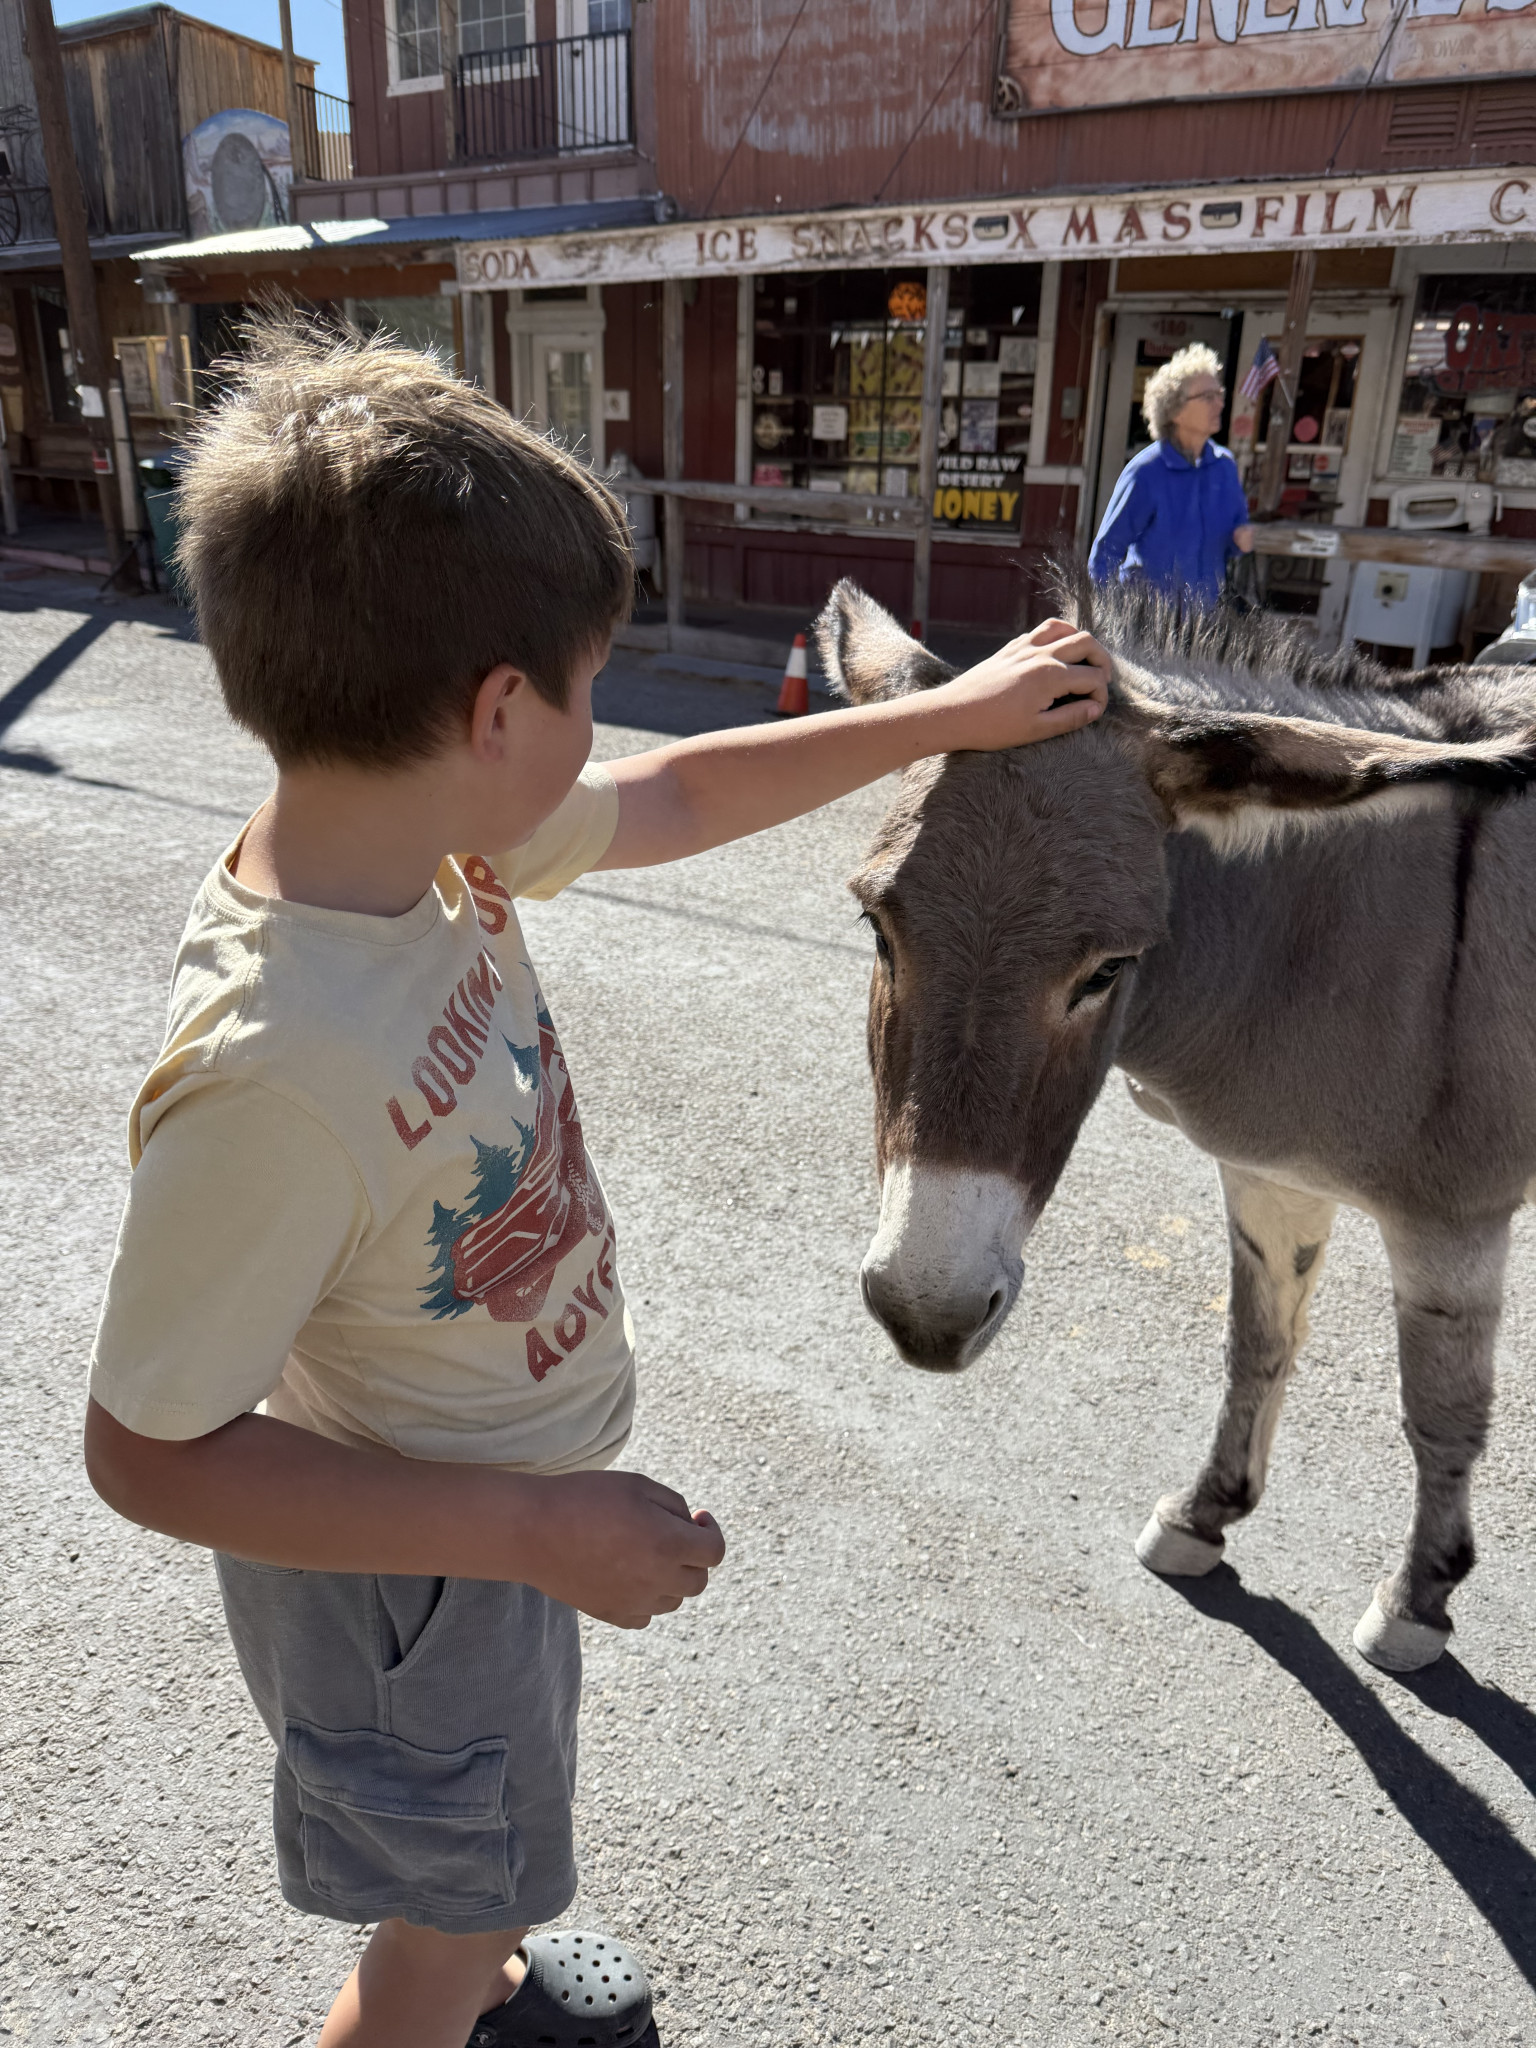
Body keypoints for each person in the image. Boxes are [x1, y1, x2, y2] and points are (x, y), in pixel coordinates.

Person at [83, 317, 1112, 2048]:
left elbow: (675, 789)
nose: (599, 722)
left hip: (484, 1517)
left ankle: (480, 1964)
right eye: (586, 683)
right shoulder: (272, 1068)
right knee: (433, 1921)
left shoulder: (425, 830)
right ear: (497, 711)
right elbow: (143, 1446)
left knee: (472, 1868)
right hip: (421, 1571)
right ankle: (447, 1981)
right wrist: (532, 1528)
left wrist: (947, 712)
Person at [1088, 341, 1256, 605]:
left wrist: (1241, 541)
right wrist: (1108, 617)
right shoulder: (1146, 471)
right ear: (1175, 410)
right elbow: (1106, 552)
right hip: (1147, 625)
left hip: (1204, 623)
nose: (1220, 404)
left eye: (1219, 394)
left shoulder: (1225, 466)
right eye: (1207, 397)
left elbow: (1235, 538)